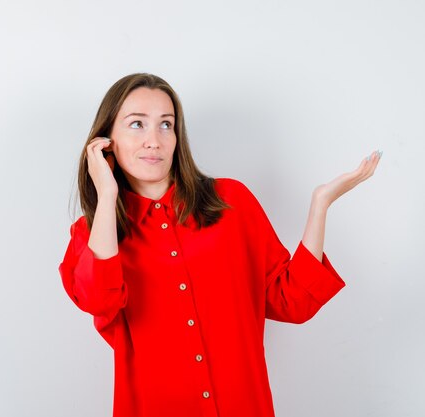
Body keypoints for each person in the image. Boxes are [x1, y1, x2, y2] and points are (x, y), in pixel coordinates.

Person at [59, 73, 381, 417]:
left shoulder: (231, 202)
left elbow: (292, 301)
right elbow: (99, 300)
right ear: (106, 140)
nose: (154, 140)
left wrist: (320, 205)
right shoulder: (93, 234)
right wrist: (106, 195)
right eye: (137, 124)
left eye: (166, 125)